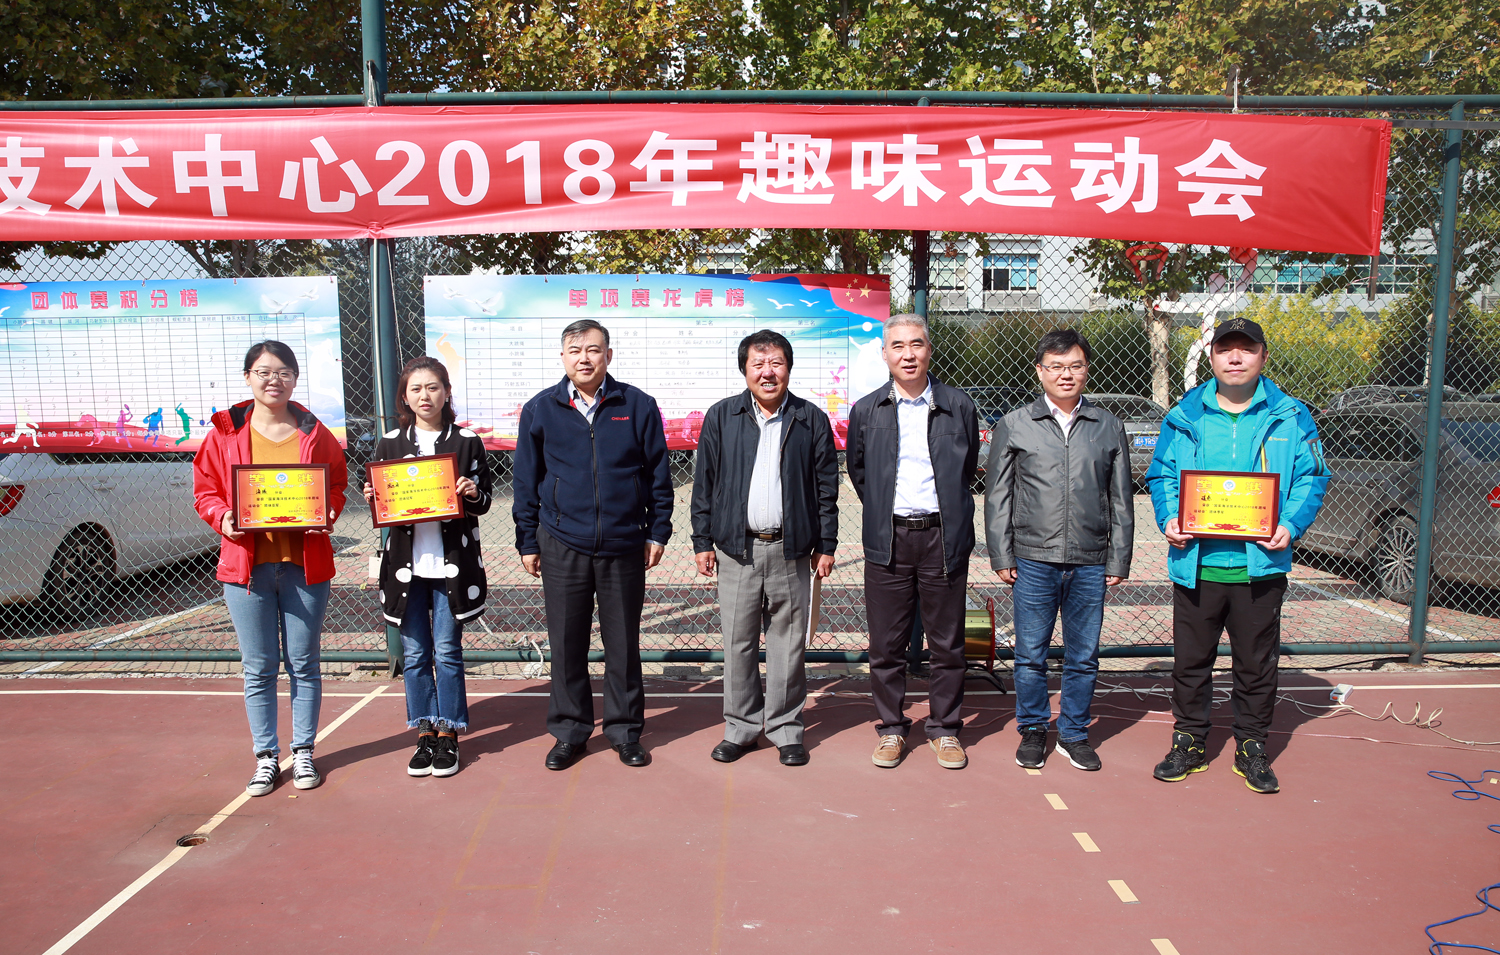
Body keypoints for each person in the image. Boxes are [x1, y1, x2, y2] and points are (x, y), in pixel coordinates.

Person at [1146, 318, 1329, 794]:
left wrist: (1289, 525)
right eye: (1225, 348)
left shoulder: (1291, 415)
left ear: (1263, 356)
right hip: (1197, 564)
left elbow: (1313, 477)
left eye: (1246, 349)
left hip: (1259, 567)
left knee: (1256, 664)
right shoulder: (1184, 414)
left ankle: (1251, 745)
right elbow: (1161, 474)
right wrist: (1169, 518)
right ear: (1211, 357)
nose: (1235, 357)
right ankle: (1189, 740)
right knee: (1191, 663)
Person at [513, 319, 673, 770]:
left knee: (623, 644)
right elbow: (526, 480)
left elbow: (658, 475)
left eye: (593, 350)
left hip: (624, 542)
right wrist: (528, 540)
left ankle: (625, 731)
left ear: (608, 355)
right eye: (575, 350)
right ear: (562, 357)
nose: (584, 358)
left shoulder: (637, 405)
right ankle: (570, 732)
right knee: (567, 644)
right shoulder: (540, 409)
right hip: (561, 541)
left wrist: (657, 530)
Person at [193, 341, 348, 796]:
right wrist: (222, 516)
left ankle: (303, 752)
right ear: (248, 377)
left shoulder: (314, 431)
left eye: (283, 372)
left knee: (304, 663)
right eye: (263, 372)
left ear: (295, 379)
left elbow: (336, 484)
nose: (273, 380)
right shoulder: (224, 433)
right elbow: (205, 490)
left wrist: (329, 512)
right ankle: (266, 756)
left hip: (303, 565)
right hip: (247, 568)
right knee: (258, 667)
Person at [984, 329, 1133, 772]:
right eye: (1056, 366)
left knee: (1083, 656)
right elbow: (998, 495)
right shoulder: (1015, 424)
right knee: (1030, 653)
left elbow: (1121, 497)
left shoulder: (1108, 426)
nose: (1066, 374)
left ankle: (1074, 733)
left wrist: (1118, 557)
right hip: (1033, 559)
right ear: (1040, 371)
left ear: (1086, 370)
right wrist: (1001, 554)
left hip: (1091, 560)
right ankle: (1033, 729)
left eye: (1075, 366)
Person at [691, 330, 839, 767]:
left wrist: (826, 543)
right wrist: (702, 540)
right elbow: (705, 483)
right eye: (758, 364)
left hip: (791, 550)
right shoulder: (722, 416)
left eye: (776, 363)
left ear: (788, 368)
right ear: (745, 370)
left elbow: (826, 486)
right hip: (736, 550)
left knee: (787, 644)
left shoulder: (810, 418)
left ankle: (786, 729)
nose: (767, 372)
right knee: (737, 643)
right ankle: (740, 728)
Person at [847, 314, 980, 770]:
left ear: (929, 350)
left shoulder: (958, 405)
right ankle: (891, 728)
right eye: (898, 346)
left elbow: (966, 470)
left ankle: (945, 729)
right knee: (886, 645)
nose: (908, 354)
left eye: (917, 344)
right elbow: (860, 473)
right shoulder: (867, 410)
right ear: (884, 353)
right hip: (888, 538)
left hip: (943, 537)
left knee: (948, 644)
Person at [365, 357, 492, 779]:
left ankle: (449, 733)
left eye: (433, 387)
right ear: (404, 396)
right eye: (416, 388)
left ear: (446, 392)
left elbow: (485, 502)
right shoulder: (389, 444)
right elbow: (381, 506)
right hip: (406, 568)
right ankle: (425, 731)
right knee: (416, 653)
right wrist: (374, 496)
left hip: (452, 564)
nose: (425, 396)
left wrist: (471, 491)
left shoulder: (467, 441)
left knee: (448, 652)